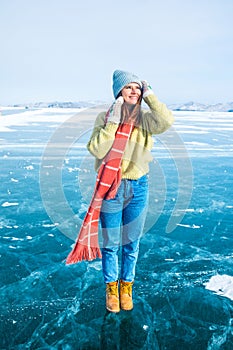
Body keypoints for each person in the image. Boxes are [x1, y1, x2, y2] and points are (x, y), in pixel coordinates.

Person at [86, 69, 175, 313]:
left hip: (138, 186)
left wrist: (151, 96)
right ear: (119, 93)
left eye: (138, 87)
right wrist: (113, 122)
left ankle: (127, 286)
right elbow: (96, 148)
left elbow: (166, 121)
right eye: (129, 87)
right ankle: (111, 289)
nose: (134, 91)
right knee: (112, 243)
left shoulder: (145, 119)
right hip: (111, 188)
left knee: (131, 242)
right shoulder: (105, 118)